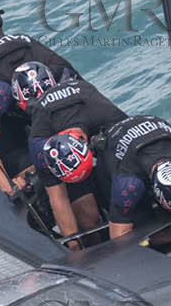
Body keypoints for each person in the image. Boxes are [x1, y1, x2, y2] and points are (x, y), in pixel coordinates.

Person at [0, 33, 79, 197]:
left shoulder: (60, 70)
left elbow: (88, 107)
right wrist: (10, 188)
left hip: (27, 61)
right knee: (21, 161)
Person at [28, 79, 127, 248]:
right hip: (60, 140)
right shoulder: (40, 143)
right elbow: (57, 196)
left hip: (95, 128)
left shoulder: (106, 115)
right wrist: (74, 245)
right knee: (88, 219)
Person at [95, 115, 171, 243]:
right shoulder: (127, 184)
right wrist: (168, 236)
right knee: (142, 222)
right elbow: (119, 239)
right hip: (111, 154)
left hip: (150, 133)